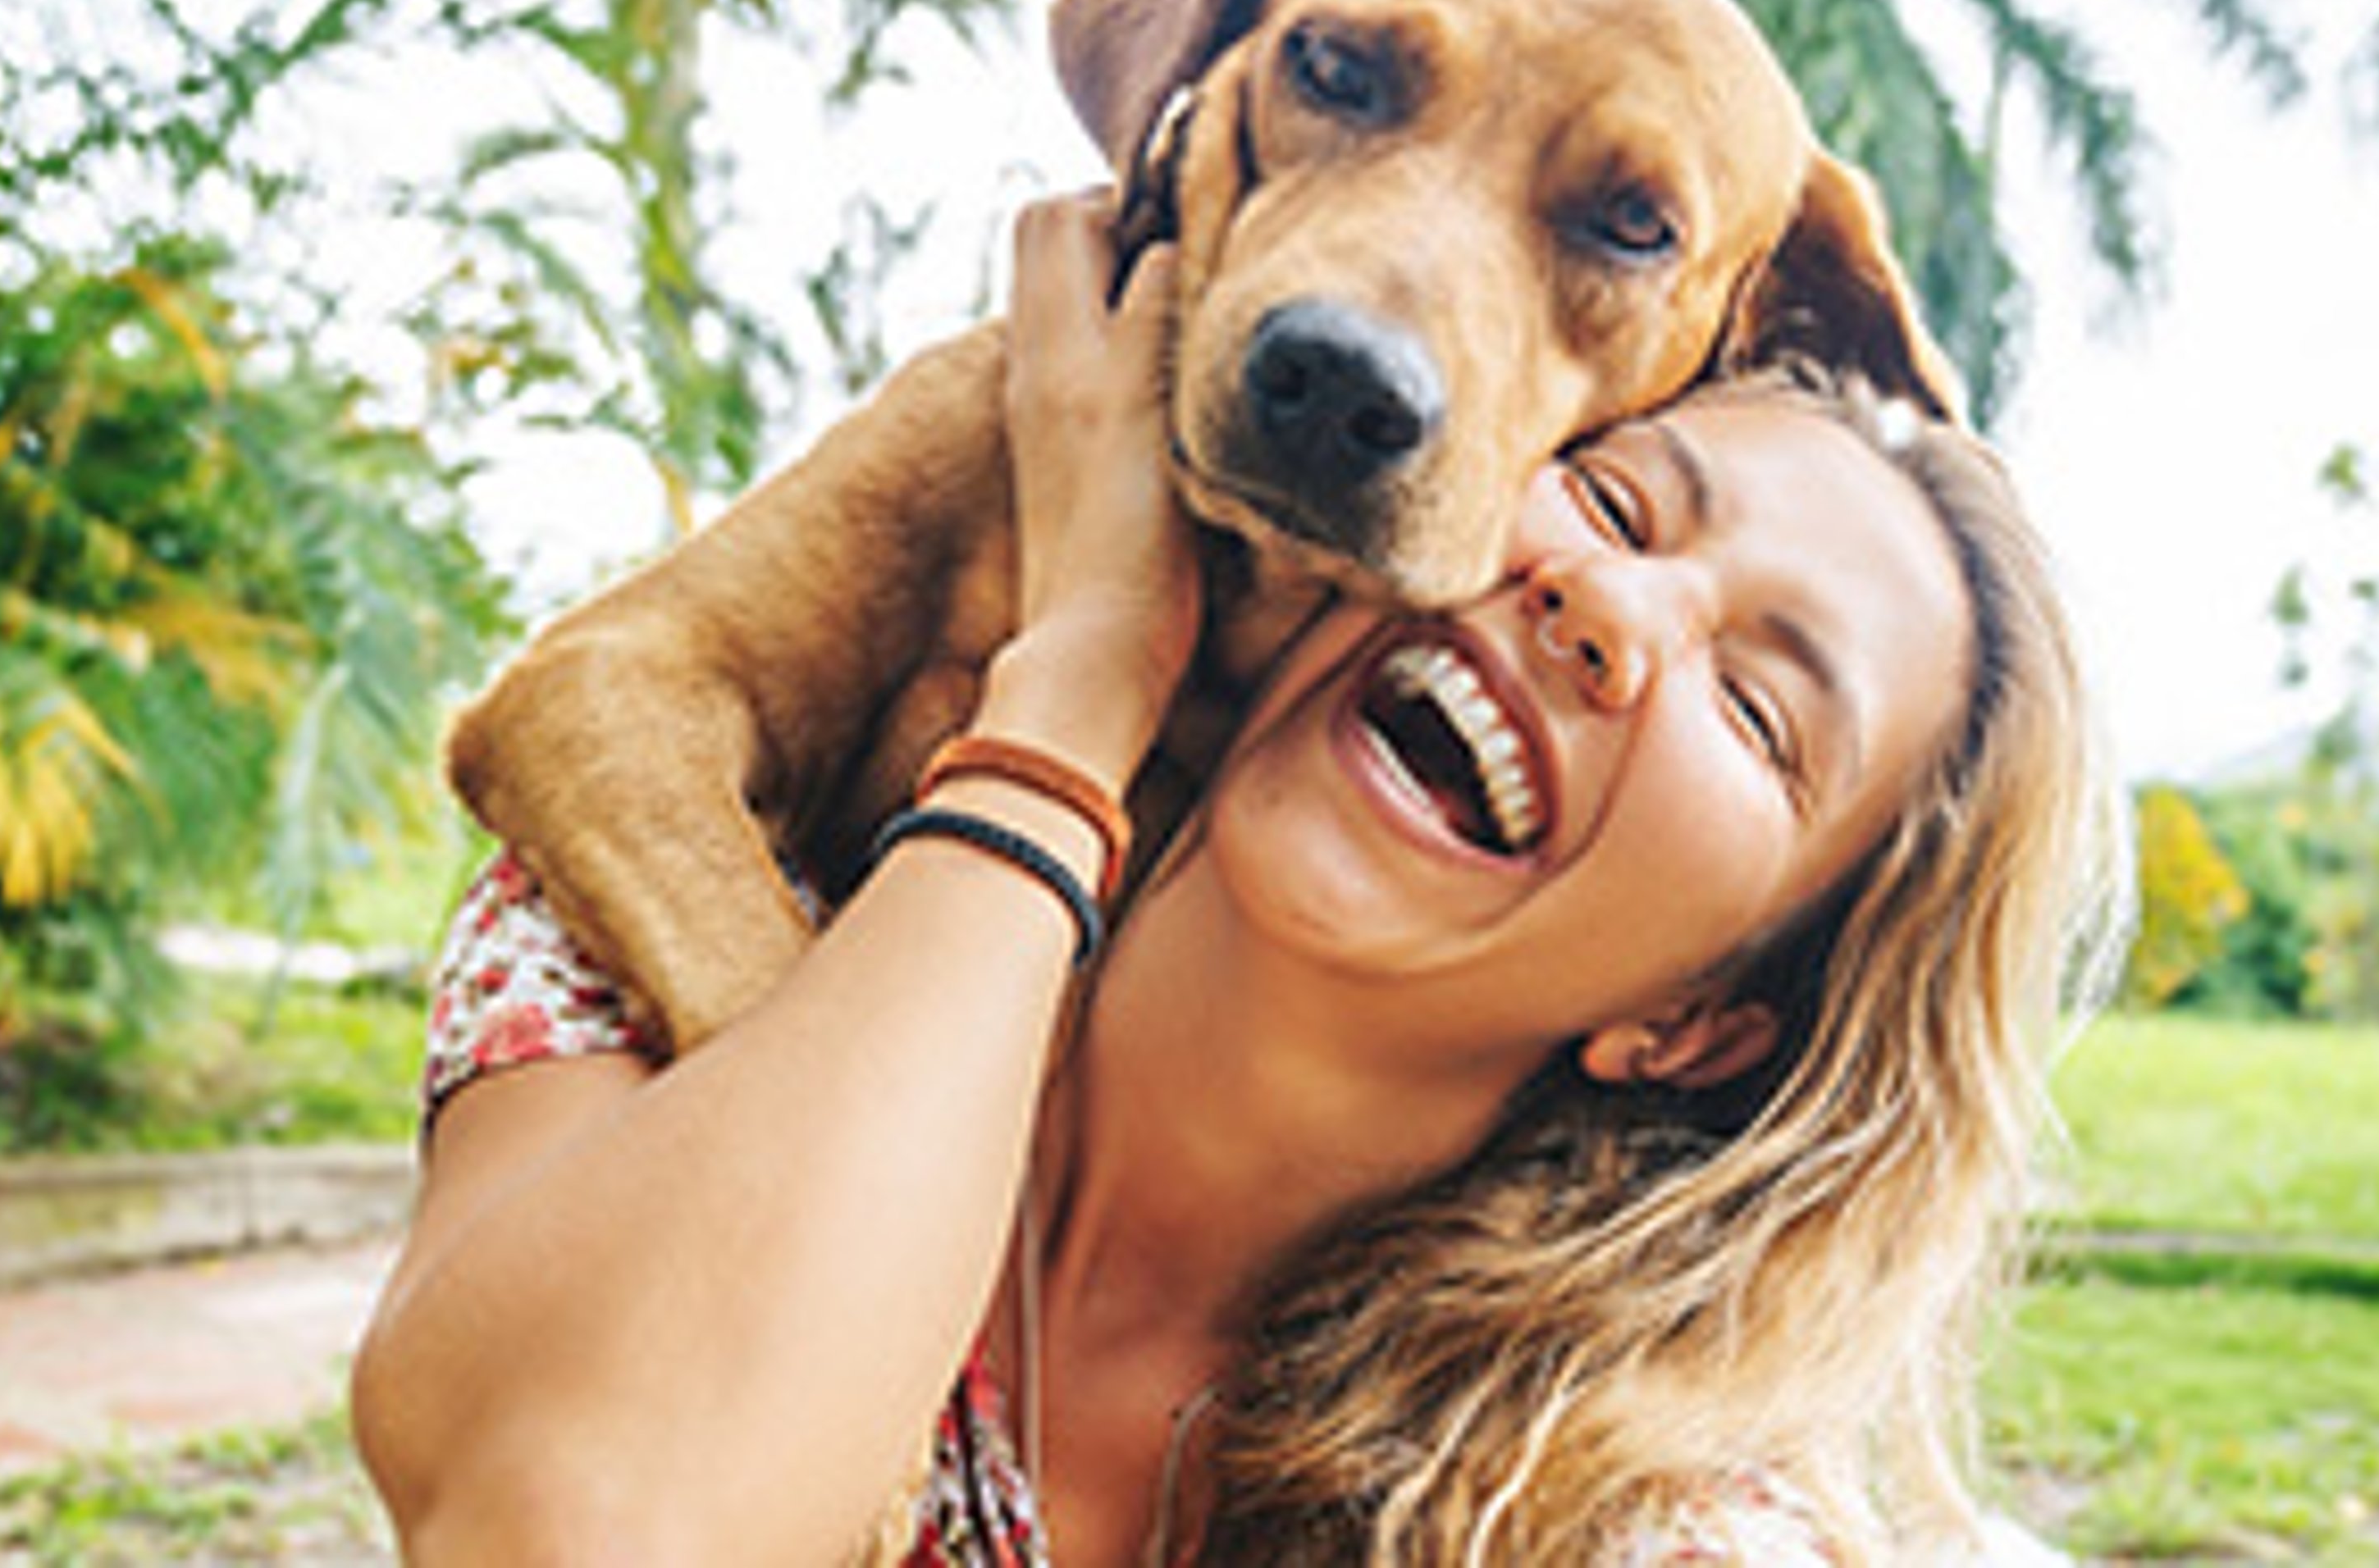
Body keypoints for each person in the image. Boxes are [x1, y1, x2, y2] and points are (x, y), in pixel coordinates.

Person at [349, 191, 2125, 1566]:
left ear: (1703, 1021)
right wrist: (1080, 682)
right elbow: (573, 1519)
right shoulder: (681, 920)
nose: (1611, 611)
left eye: (1754, 707)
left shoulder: (1616, 1499)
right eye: (1615, 500)